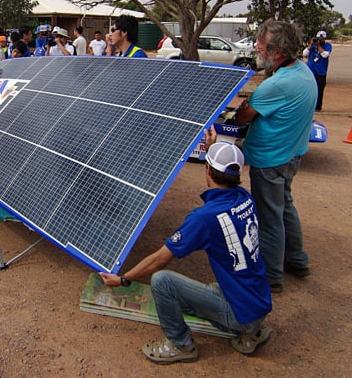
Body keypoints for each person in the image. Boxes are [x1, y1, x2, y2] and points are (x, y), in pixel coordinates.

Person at [100, 141, 272, 364]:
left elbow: (159, 260)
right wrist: (214, 149)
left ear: (208, 169)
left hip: (239, 313)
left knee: (162, 281)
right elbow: (224, 174)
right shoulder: (245, 198)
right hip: (258, 301)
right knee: (210, 288)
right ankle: (253, 331)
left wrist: (122, 279)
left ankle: (180, 345)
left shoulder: (204, 218)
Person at [214, 18, 317, 294]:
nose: (258, 50)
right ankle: (296, 260)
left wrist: (235, 113)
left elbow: (243, 115)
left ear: (278, 51)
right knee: (284, 206)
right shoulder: (303, 72)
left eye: (261, 46)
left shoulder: (277, 85)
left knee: (269, 218)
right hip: (291, 155)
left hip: (270, 160)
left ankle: (272, 276)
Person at [303, 30, 332, 111]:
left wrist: (319, 46)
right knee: (309, 89)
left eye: (321, 38)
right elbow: (304, 53)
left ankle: (317, 107)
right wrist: (311, 44)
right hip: (311, 71)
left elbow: (325, 55)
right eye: (318, 38)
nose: (319, 40)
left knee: (319, 90)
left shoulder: (327, 46)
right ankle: (308, 106)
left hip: (321, 72)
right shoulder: (312, 46)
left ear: (324, 38)